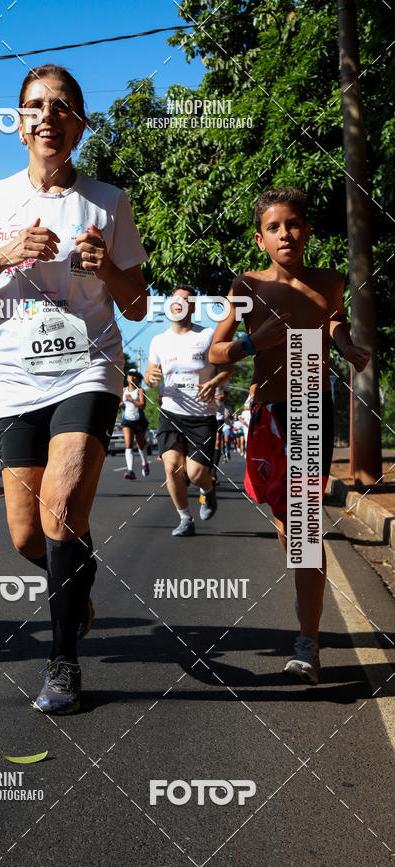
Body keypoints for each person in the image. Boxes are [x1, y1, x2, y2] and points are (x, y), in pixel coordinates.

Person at [0, 64, 148, 714]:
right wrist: (3, 256)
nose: (48, 115)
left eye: (62, 106)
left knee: (63, 508)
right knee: (29, 536)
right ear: (20, 123)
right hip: (13, 382)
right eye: (35, 105)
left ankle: (63, 663)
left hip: (88, 368)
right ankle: (75, 583)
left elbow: (138, 305)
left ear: (79, 124)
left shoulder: (108, 201)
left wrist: (108, 268)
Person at [209, 186, 370, 684]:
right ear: (261, 239)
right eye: (274, 227)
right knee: (287, 524)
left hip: (307, 404)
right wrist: (252, 342)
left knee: (302, 524)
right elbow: (216, 352)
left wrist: (343, 342)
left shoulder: (329, 281)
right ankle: (308, 601)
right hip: (267, 412)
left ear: (307, 231)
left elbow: (333, 317)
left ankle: (308, 642)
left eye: (294, 224)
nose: (286, 233)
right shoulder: (245, 285)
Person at [144, 286, 233, 536]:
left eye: (185, 300)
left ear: (193, 307)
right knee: (172, 467)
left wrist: (214, 383)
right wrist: (149, 377)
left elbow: (229, 368)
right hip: (170, 412)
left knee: (195, 474)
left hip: (202, 416)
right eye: (174, 300)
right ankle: (185, 518)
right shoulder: (159, 340)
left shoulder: (207, 336)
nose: (178, 303)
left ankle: (208, 489)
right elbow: (150, 377)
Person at [120, 369, 149, 479]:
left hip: (139, 420)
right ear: (127, 378)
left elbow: (142, 405)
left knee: (140, 445)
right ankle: (130, 470)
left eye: (135, 376)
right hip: (127, 420)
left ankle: (145, 463)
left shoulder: (140, 391)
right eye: (130, 375)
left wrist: (131, 400)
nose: (132, 377)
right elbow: (120, 402)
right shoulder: (124, 390)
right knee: (128, 444)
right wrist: (121, 403)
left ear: (138, 378)